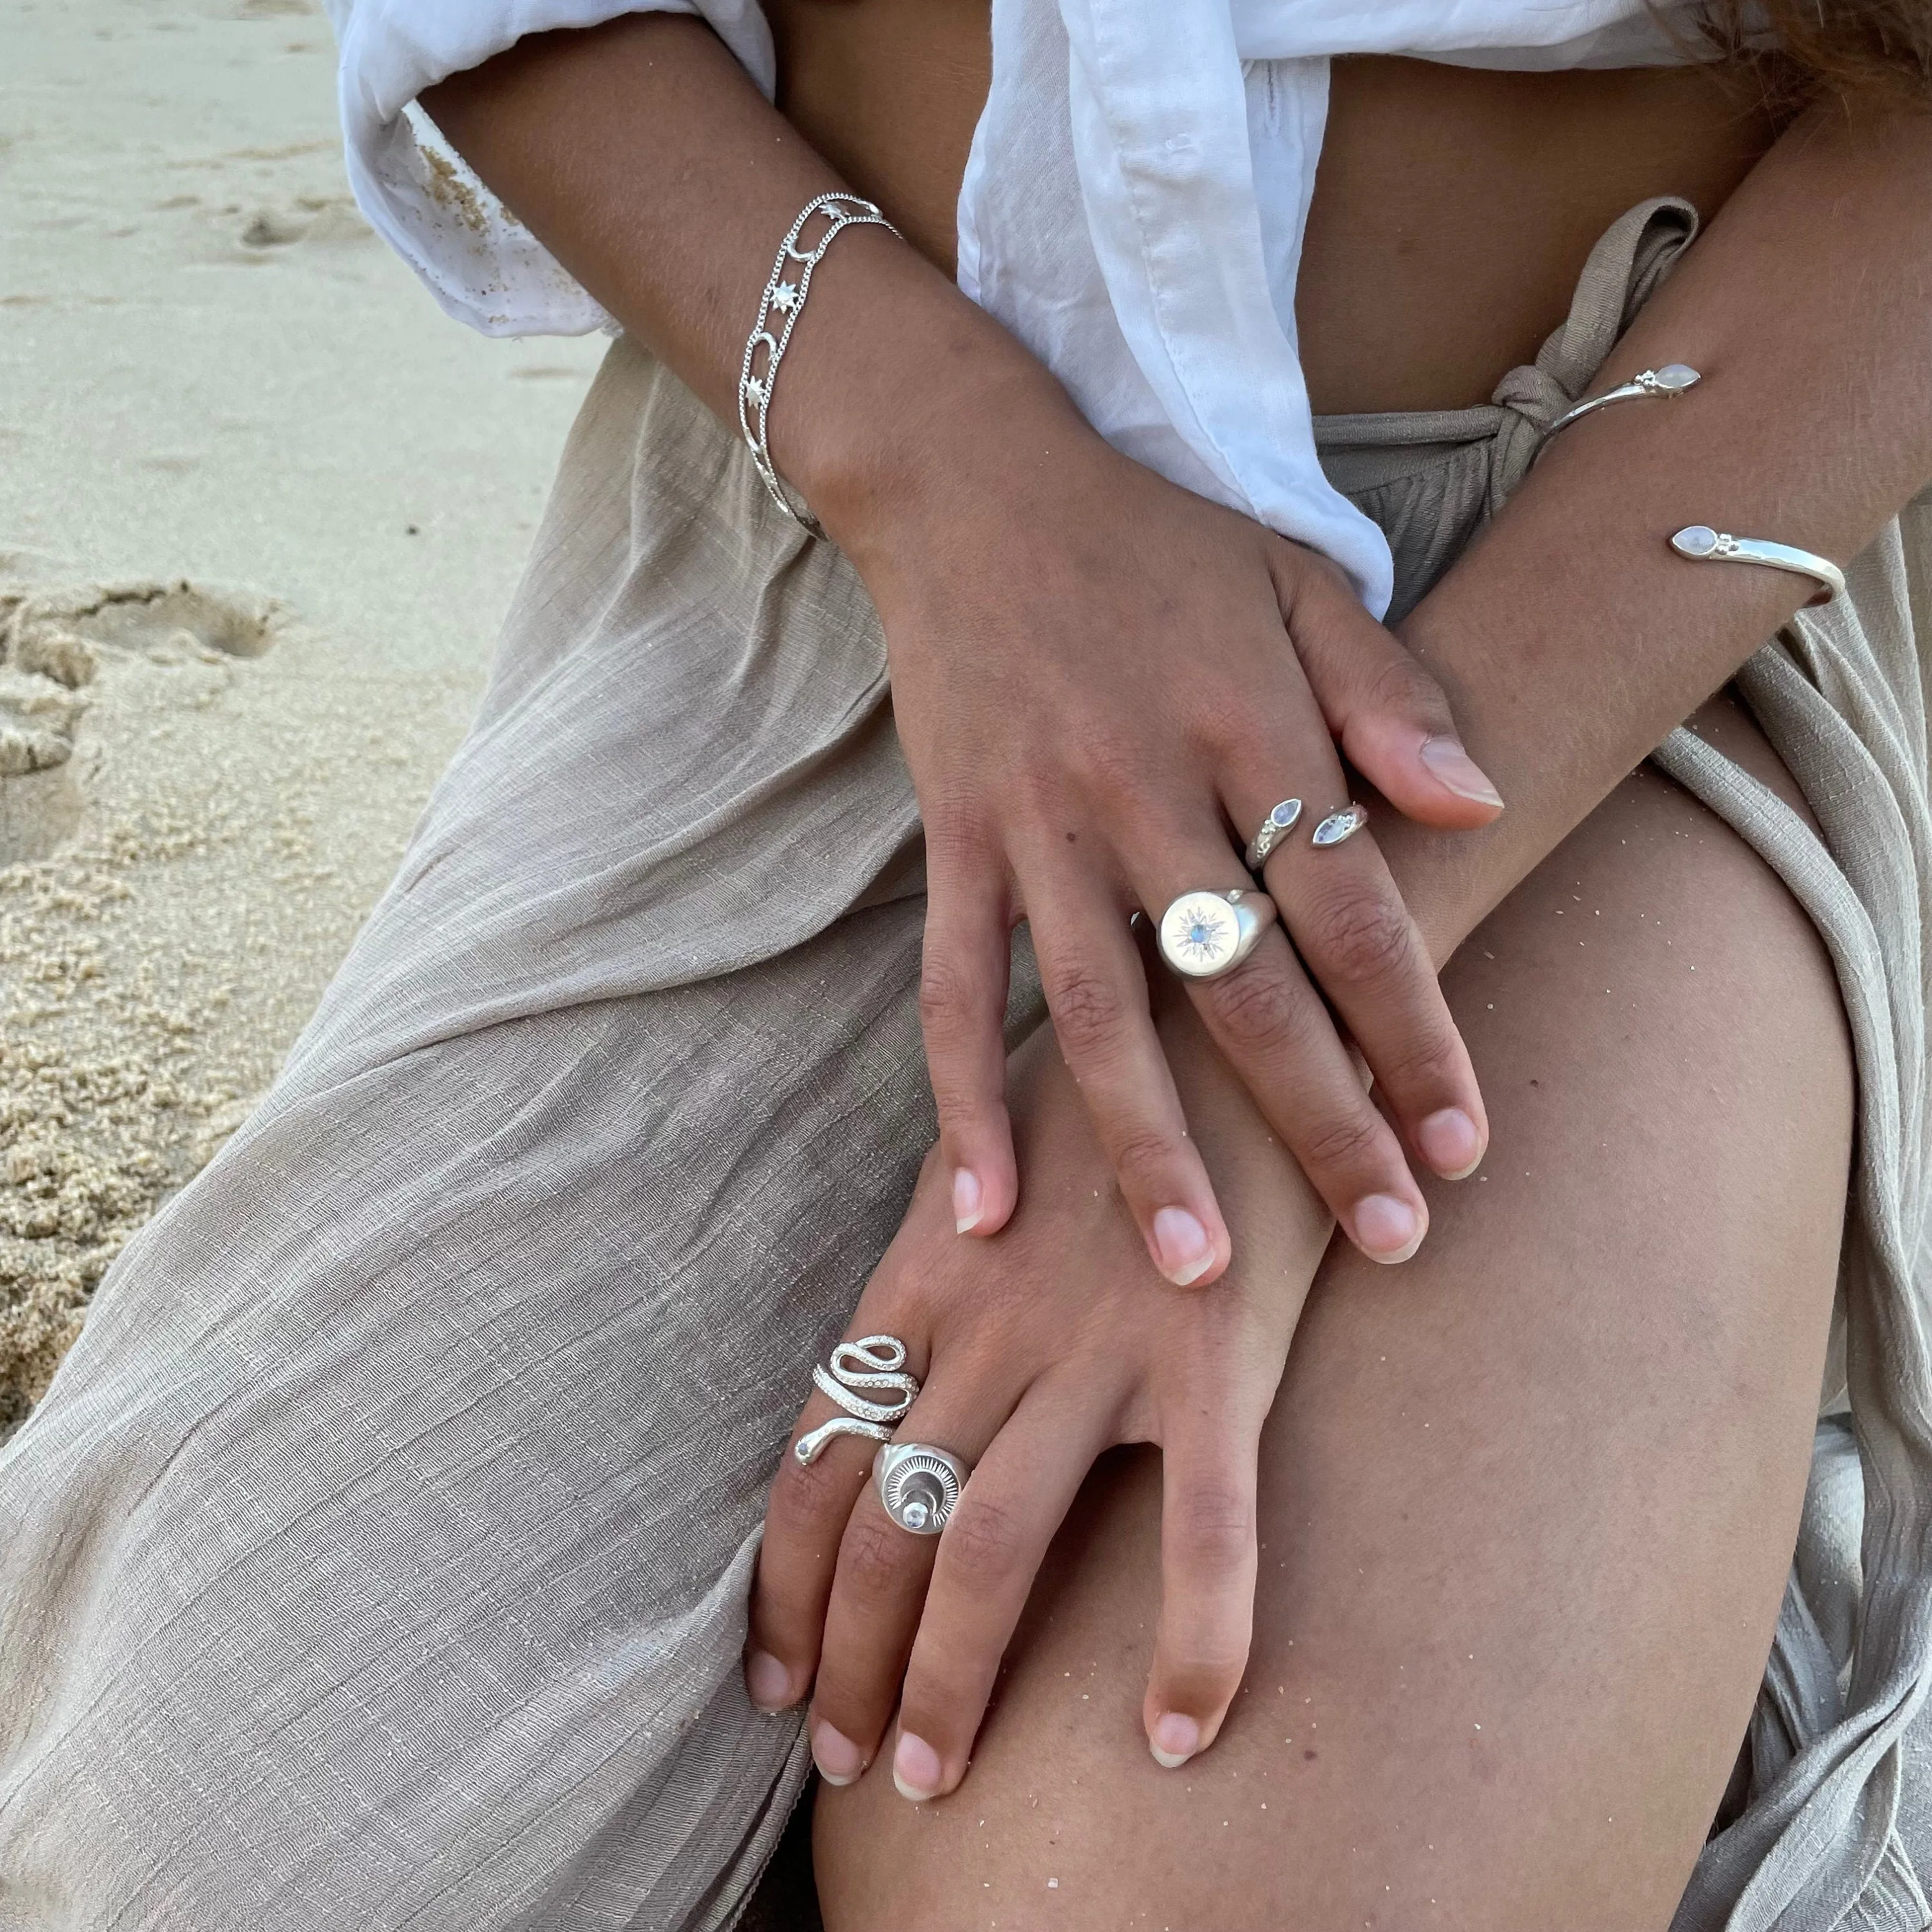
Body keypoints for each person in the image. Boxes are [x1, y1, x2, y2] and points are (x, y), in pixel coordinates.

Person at [3, 0, 1932, 1926]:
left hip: (1584, 637)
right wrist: (951, 484)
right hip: (827, 546)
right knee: (225, 1854)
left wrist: (1286, 1008)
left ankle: (1670, 1533)